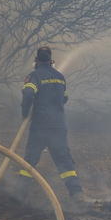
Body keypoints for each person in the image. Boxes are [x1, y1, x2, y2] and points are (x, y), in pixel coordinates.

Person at [14, 46, 87, 208]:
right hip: (59, 126)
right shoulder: (60, 77)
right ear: (51, 61)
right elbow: (64, 99)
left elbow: (27, 94)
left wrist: (25, 112)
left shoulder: (34, 76)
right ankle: (77, 194)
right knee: (64, 161)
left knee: (29, 161)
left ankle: (19, 195)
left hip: (40, 126)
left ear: (36, 61)